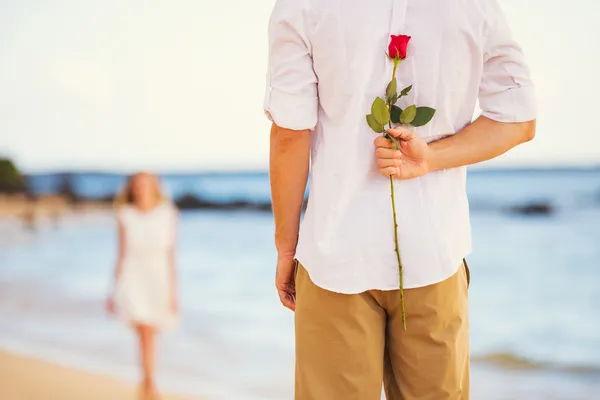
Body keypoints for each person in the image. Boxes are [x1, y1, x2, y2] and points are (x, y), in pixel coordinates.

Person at [266, 0, 536, 399]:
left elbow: (290, 135)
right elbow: (519, 119)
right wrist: (432, 157)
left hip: (335, 254)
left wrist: (286, 248)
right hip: (435, 254)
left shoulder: (303, 6)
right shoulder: (475, 6)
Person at [106, 172, 179, 400]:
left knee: (151, 332)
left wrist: (173, 291)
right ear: (131, 189)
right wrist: (113, 288)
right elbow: (120, 253)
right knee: (144, 331)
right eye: (137, 185)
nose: (141, 189)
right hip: (133, 275)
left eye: (145, 185)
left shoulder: (168, 214)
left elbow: (171, 254)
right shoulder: (124, 214)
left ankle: (146, 383)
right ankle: (150, 384)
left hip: (158, 277)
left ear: (155, 187)